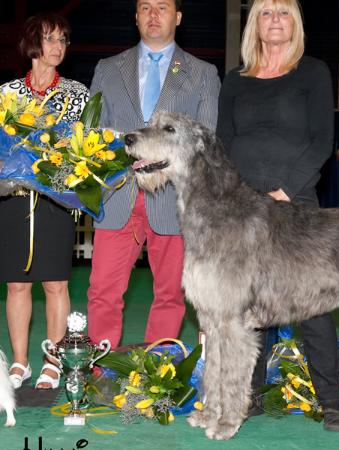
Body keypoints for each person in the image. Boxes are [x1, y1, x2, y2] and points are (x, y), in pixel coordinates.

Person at [216, 0, 339, 432]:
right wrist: (239, 198)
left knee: (313, 305)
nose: (275, 20)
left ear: (296, 22)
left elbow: (322, 140)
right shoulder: (234, 79)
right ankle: (249, 395)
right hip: (243, 208)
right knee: (245, 303)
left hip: (296, 206)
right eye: (267, 12)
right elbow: (224, 141)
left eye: (284, 11)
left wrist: (285, 191)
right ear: (254, 23)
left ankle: (332, 402)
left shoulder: (312, 72)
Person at [86, 0, 220, 348]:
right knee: (102, 291)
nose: (154, 15)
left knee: (171, 295)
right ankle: (99, 368)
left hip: (173, 199)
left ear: (177, 17)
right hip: (118, 193)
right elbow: (93, 131)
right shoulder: (108, 68)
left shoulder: (203, 74)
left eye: (162, 7)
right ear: (135, 17)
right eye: (145, 7)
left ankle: (155, 374)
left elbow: (204, 138)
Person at [0, 13, 89, 390]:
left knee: (55, 284)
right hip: (12, 200)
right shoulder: (6, 94)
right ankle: (19, 361)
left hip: (55, 199)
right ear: (33, 44)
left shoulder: (77, 93)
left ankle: (53, 360)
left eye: (63, 40)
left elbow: (83, 148)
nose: (58, 47)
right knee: (16, 286)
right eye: (51, 39)